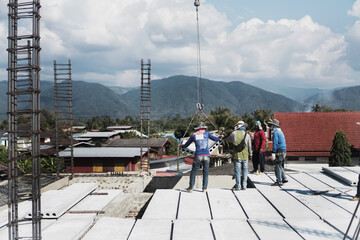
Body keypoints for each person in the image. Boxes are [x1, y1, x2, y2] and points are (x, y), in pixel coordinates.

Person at [181, 122, 220, 193]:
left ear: (197, 129)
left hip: (198, 155)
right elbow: (215, 139)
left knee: (193, 172)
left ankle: (191, 188)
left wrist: (181, 146)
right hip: (206, 156)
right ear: (204, 128)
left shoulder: (194, 135)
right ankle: (204, 188)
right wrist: (220, 137)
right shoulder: (207, 133)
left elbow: (186, 144)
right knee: (205, 172)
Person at [223, 121, 252, 190]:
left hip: (236, 155)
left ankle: (238, 186)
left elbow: (226, 138)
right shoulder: (247, 135)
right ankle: (244, 186)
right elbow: (249, 146)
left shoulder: (233, 134)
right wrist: (250, 154)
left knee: (237, 171)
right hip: (245, 155)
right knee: (245, 171)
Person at [268, 119, 288, 186]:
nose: (271, 127)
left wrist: (273, 152)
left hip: (279, 150)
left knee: (277, 165)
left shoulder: (276, 133)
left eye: (271, 125)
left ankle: (279, 181)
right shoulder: (280, 132)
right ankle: (284, 178)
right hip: (283, 150)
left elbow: (275, 143)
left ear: (274, 126)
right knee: (280, 165)